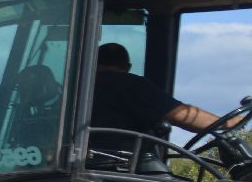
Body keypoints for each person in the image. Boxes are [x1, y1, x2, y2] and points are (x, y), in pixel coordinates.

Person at [90, 42, 241, 160]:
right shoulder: (131, 85)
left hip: (95, 159)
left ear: (93, 63)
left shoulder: (85, 87)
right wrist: (230, 122)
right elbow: (183, 116)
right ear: (128, 66)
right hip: (122, 164)